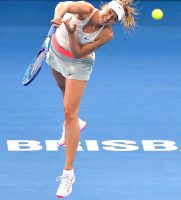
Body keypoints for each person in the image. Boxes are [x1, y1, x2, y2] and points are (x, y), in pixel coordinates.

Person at [46, 0, 137, 198]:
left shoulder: (106, 34)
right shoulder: (86, 9)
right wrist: (59, 18)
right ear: (105, 6)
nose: (109, 17)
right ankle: (75, 123)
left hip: (78, 64)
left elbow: (78, 53)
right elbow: (64, 4)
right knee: (64, 94)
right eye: (110, 12)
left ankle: (68, 174)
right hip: (55, 51)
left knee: (69, 111)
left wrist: (71, 33)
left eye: (114, 19)